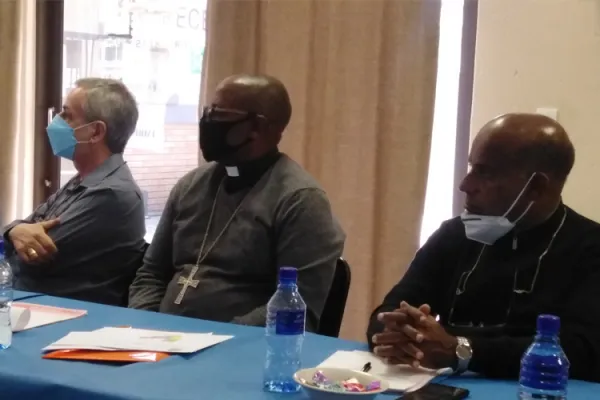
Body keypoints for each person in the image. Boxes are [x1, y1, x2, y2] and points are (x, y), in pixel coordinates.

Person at [367, 113, 600, 382]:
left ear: (536, 187)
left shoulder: (590, 248)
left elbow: (584, 352)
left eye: (485, 172)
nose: (465, 185)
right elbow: (394, 307)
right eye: (471, 168)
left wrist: (461, 351)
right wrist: (398, 333)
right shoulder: (453, 235)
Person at [128, 74, 345, 331]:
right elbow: (151, 273)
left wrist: (215, 339)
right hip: (159, 344)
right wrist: (145, 326)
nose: (208, 122)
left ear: (259, 127)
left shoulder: (300, 200)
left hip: (236, 352)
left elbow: (296, 309)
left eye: (220, 115)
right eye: (209, 111)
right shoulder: (191, 185)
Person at [2, 78, 146, 306]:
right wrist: (13, 231)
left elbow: (29, 255)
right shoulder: (83, 181)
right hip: (33, 307)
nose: (56, 121)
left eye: (67, 115)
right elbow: (23, 231)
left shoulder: (111, 194)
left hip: (63, 318)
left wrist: (14, 234)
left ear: (96, 132)